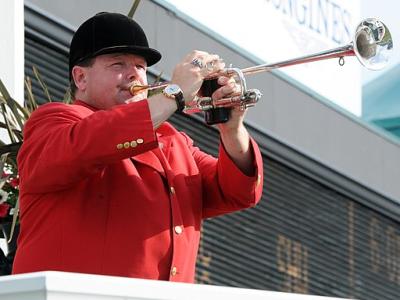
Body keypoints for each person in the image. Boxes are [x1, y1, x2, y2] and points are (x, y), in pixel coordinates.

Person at [12, 12, 263, 283]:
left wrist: (232, 128)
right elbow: (94, 139)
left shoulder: (173, 140)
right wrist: (175, 94)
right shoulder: (55, 121)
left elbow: (236, 191)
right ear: (80, 78)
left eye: (141, 67)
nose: (134, 75)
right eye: (118, 64)